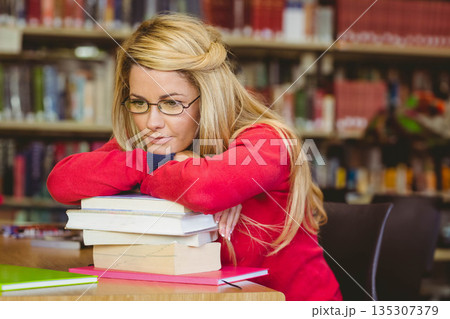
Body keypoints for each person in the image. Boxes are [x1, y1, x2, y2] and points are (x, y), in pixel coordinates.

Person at [47, 13, 341, 301]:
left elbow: (204, 188)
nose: (152, 122)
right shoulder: (157, 144)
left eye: (171, 103)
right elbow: (62, 182)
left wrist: (177, 167)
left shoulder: (269, 141)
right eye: (139, 102)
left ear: (208, 97)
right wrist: (169, 162)